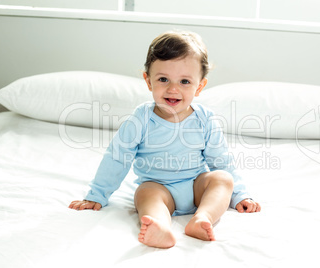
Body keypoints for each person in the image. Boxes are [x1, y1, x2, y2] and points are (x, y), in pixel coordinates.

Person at [69, 30, 261, 248]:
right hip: (159, 188)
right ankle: (159, 226)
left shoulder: (205, 120)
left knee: (223, 178)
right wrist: (97, 195)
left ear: (199, 86)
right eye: (163, 79)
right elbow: (117, 157)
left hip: (195, 187)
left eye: (185, 81)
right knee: (145, 193)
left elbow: (222, 160)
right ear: (148, 81)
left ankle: (203, 218)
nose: (173, 89)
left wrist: (240, 196)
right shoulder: (140, 119)